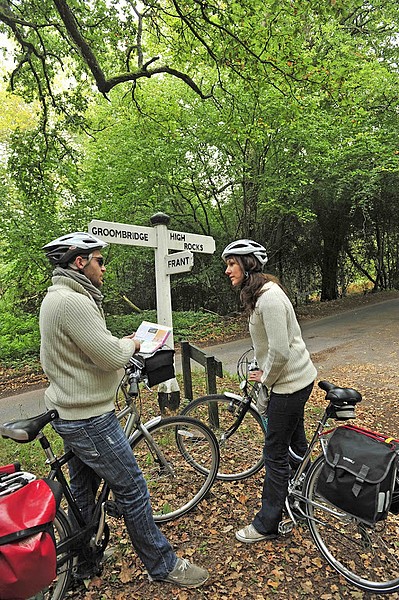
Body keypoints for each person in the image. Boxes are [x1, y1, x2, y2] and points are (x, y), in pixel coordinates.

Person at [39, 231, 209, 588]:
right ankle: (163, 565)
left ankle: (82, 564)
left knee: (83, 492)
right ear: (80, 261)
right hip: (89, 419)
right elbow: (111, 354)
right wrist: (133, 342)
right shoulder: (73, 301)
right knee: (132, 487)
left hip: (71, 412)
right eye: (99, 260)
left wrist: (116, 350)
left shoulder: (58, 297)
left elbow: (84, 352)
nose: (103, 268)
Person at [222, 239, 317, 543]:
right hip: (292, 382)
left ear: (249, 264)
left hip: (289, 385)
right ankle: (304, 499)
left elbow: (280, 351)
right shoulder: (259, 295)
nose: (227, 270)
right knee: (295, 445)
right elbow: (269, 345)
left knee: (274, 452)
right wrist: (259, 364)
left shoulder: (269, 298)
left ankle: (268, 523)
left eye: (232, 263)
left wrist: (266, 379)